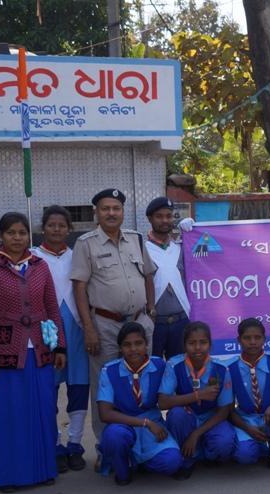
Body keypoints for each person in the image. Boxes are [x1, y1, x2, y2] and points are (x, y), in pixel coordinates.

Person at [0, 212, 66, 493]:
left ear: (29, 236)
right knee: (10, 415)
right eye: (11, 232)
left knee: (43, 410)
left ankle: (44, 469)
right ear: (1, 235)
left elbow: (52, 308)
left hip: (40, 350)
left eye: (22, 233)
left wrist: (59, 345)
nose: (17, 238)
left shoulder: (39, 266)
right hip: (5, 351)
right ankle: (9, 476)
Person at [70, 188, 155, 466]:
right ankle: (107, 447)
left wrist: (150, 313)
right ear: (97, 212)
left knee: (144, 381)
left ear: (122, 211)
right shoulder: (86, 243)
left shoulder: (135, 238)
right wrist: (88, 328)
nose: (111, 213)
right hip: (105, 325)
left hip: (139, 323)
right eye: (105, 208)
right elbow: (79, 287)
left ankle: (145, 441)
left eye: (116, 208)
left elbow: (148, 275)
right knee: (105, 385)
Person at [31, 205, 89, 473]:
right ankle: (53, 444)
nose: (57, 230)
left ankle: (75, 443)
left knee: (79, 386)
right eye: (52, 225)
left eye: (62, 226)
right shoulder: (32, 258)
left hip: (76, 326)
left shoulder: (78, 255)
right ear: (44, 227)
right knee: (49, 389)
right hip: (47, 331)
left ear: (69, 229)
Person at [96, 322, 183, 485]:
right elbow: (105, 413)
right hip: (123, 426)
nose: (133, 349)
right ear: (120, 348)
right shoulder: (110, 370)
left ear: (146, 344)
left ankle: (139, 462)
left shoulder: (160, 365)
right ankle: (124, 470)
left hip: (154, 428)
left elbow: (168, 398)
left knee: (172, 462)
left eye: (138, 343)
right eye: (127, 345)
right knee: (114, 436)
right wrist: (145, 423)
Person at [158, 322, 236, 476]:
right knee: (176, 415)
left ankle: (207, 454)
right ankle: (187, 460)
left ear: (210, 344)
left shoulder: (221, 368)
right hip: (187, 416)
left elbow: (224, 411)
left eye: (203, 342)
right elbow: (163, 402)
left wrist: (196, 434)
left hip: (210, 417)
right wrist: (198, 395)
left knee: (225, 443)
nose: (198, 348)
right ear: (184, 345)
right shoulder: (174, 365)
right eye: (192, 343)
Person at [226, 318, 270, 468]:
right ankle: (259, 447)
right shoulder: (230, 367)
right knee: (245, 456)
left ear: (264, 339)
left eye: (257, 337)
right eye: (247, 338)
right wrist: (247, 428)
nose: (253, 342)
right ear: (239, 340)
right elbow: (229, 410)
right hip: (246, 419)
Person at [141, 198, 190, 360]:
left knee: (179, 370)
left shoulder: (181, 247)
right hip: (154, 322)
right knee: (152, 369)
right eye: (159, 216)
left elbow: (207, 251)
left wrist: (194, 232)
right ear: (150, 219)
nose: (165, 220)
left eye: (169, 216)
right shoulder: (141, 249)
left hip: (181, 321)